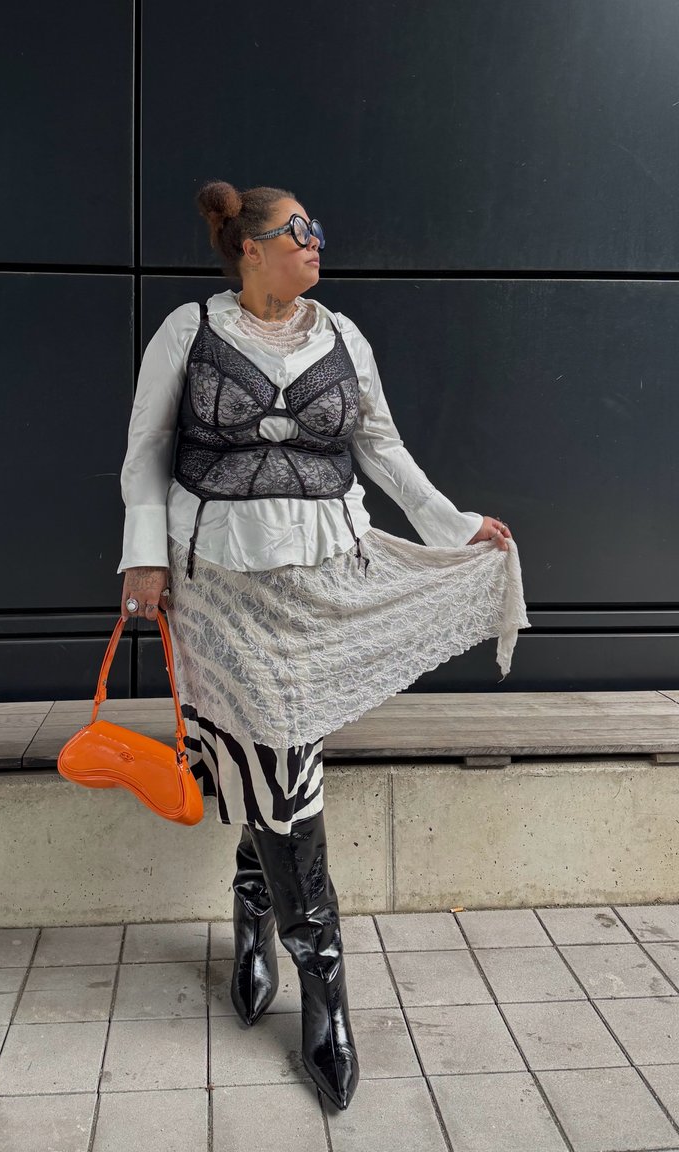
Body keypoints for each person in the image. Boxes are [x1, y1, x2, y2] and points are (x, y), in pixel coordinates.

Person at [117, 180, 530, 1111]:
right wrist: (142, 557)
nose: (316, 244)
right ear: (251, 247)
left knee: (271, 756)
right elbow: (144, 451)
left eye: (316, 232)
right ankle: (326, 992)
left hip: (319, 579)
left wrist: (450, 525)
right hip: (218, 582)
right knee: (276, 758)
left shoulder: (342, 335)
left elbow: (382, 446)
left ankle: (254, 913)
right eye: (298, 232)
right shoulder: (188, 330)